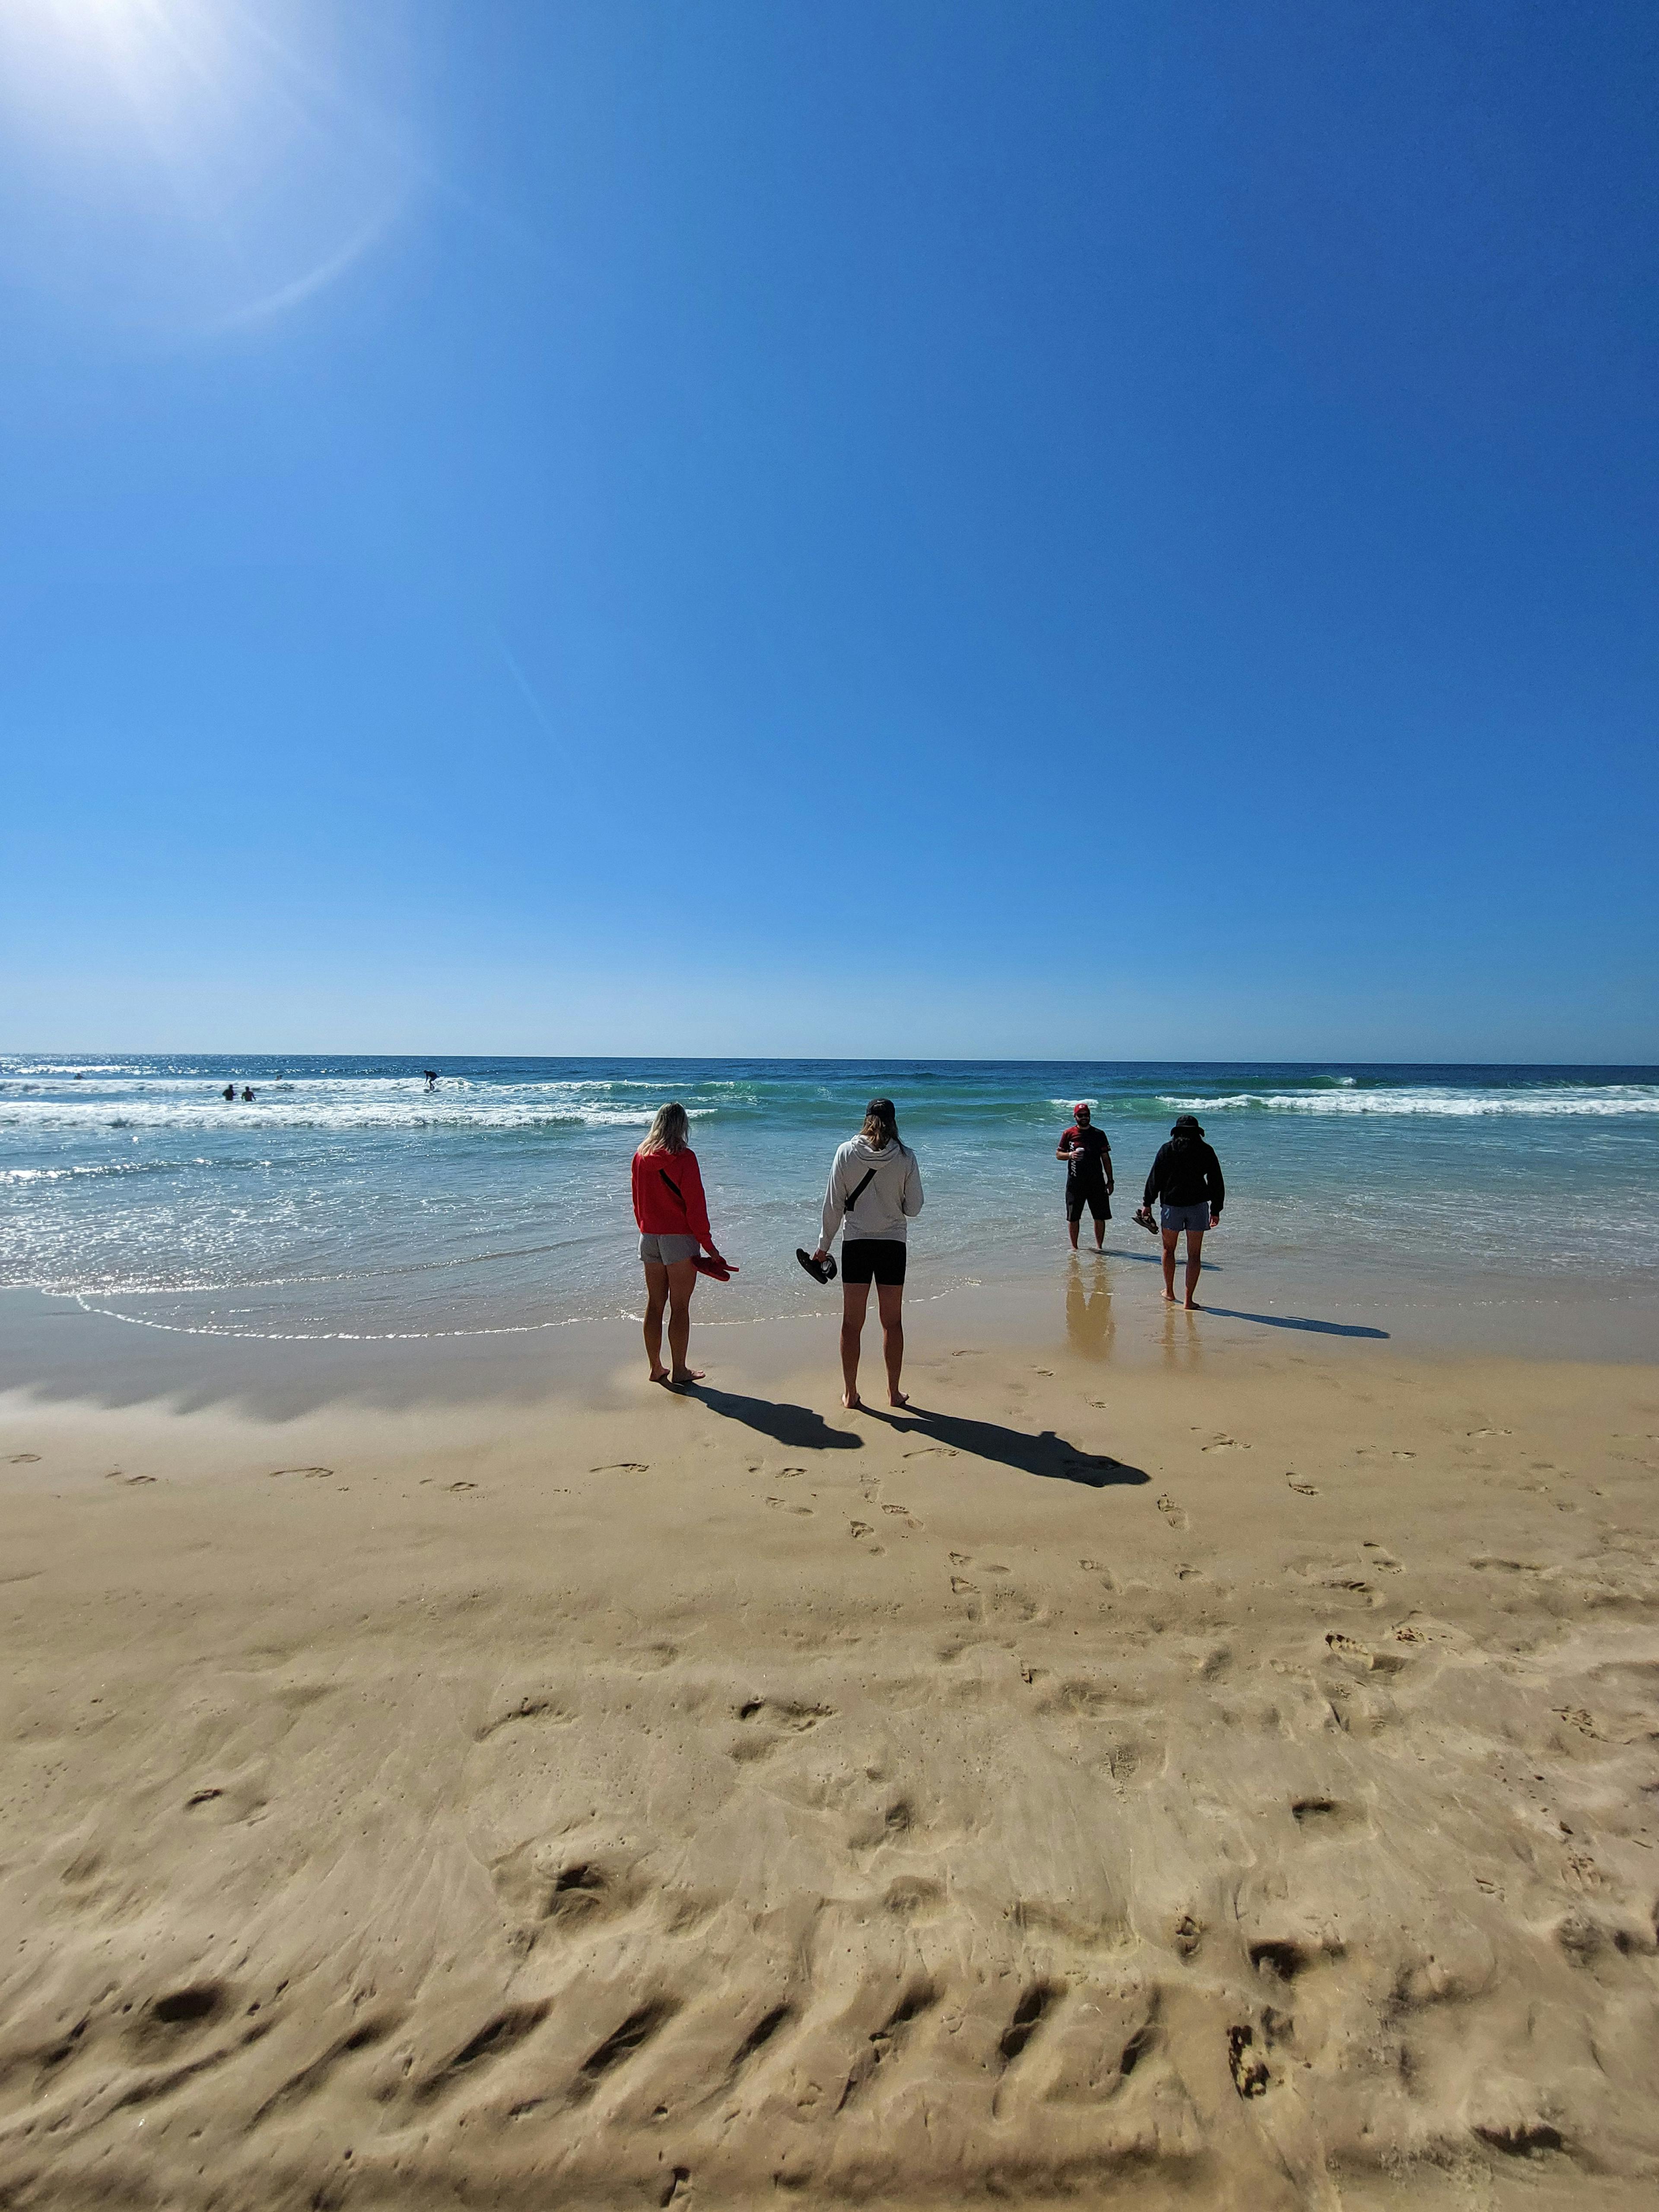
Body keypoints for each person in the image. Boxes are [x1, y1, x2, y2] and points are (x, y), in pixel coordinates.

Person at [811, 1097, 924, 1411]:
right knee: (892, 1322)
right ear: (893, 1121)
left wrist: (823, 1247)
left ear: (866, 1119)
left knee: (852, 1322)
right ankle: (894, 1393)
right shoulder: (905, 1157)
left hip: (857, 1245)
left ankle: (850, 1394)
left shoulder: (846, 1153)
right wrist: (893, 1202)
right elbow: (914, 1208)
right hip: (892, 1245)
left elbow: (834, 1205)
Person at [631, 1101, 726, 1387]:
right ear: (682, 1126)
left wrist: (647, 1228)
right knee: (680, 1306)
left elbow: (637, 1202)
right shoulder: (685, 1158)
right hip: (679, 1241)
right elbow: (696, 1208)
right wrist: (710, 1248)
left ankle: (655, 1368)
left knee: (655, 1304)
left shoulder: (640, 1155)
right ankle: (680, 1370)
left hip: (649, 1237)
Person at [1141, 1114, 1225, 1309]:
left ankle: (1170, 1292)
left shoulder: (1167, 1150)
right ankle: (1189, 1300)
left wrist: (1148, 1203)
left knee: (1168, 1250)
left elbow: (1155, 1178)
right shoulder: (1206, 1151)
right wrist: (1216, 1209)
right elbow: (1216, 1181)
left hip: (1171, 1206)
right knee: (1194, 1255)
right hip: (1198, 1207)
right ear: (1198, 1133)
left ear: (1176, 1133)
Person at [1056, 1100, 1113, 1251]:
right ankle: (1075, 1249)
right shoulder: (1069, 1134)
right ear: (1075, 1117)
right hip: (1075, 1182)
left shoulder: (1099, 1134)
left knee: (1100, 1217)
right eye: (1080, 1115)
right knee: (1073, 1217)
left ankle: (1100, 1248)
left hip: (1097, 1182)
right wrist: (1070, 1155)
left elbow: (1106, 1159)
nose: (1084, 1118)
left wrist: (1110, 1181)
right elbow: (1058, 1155)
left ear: (1090, 1116)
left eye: (1086, 1115)